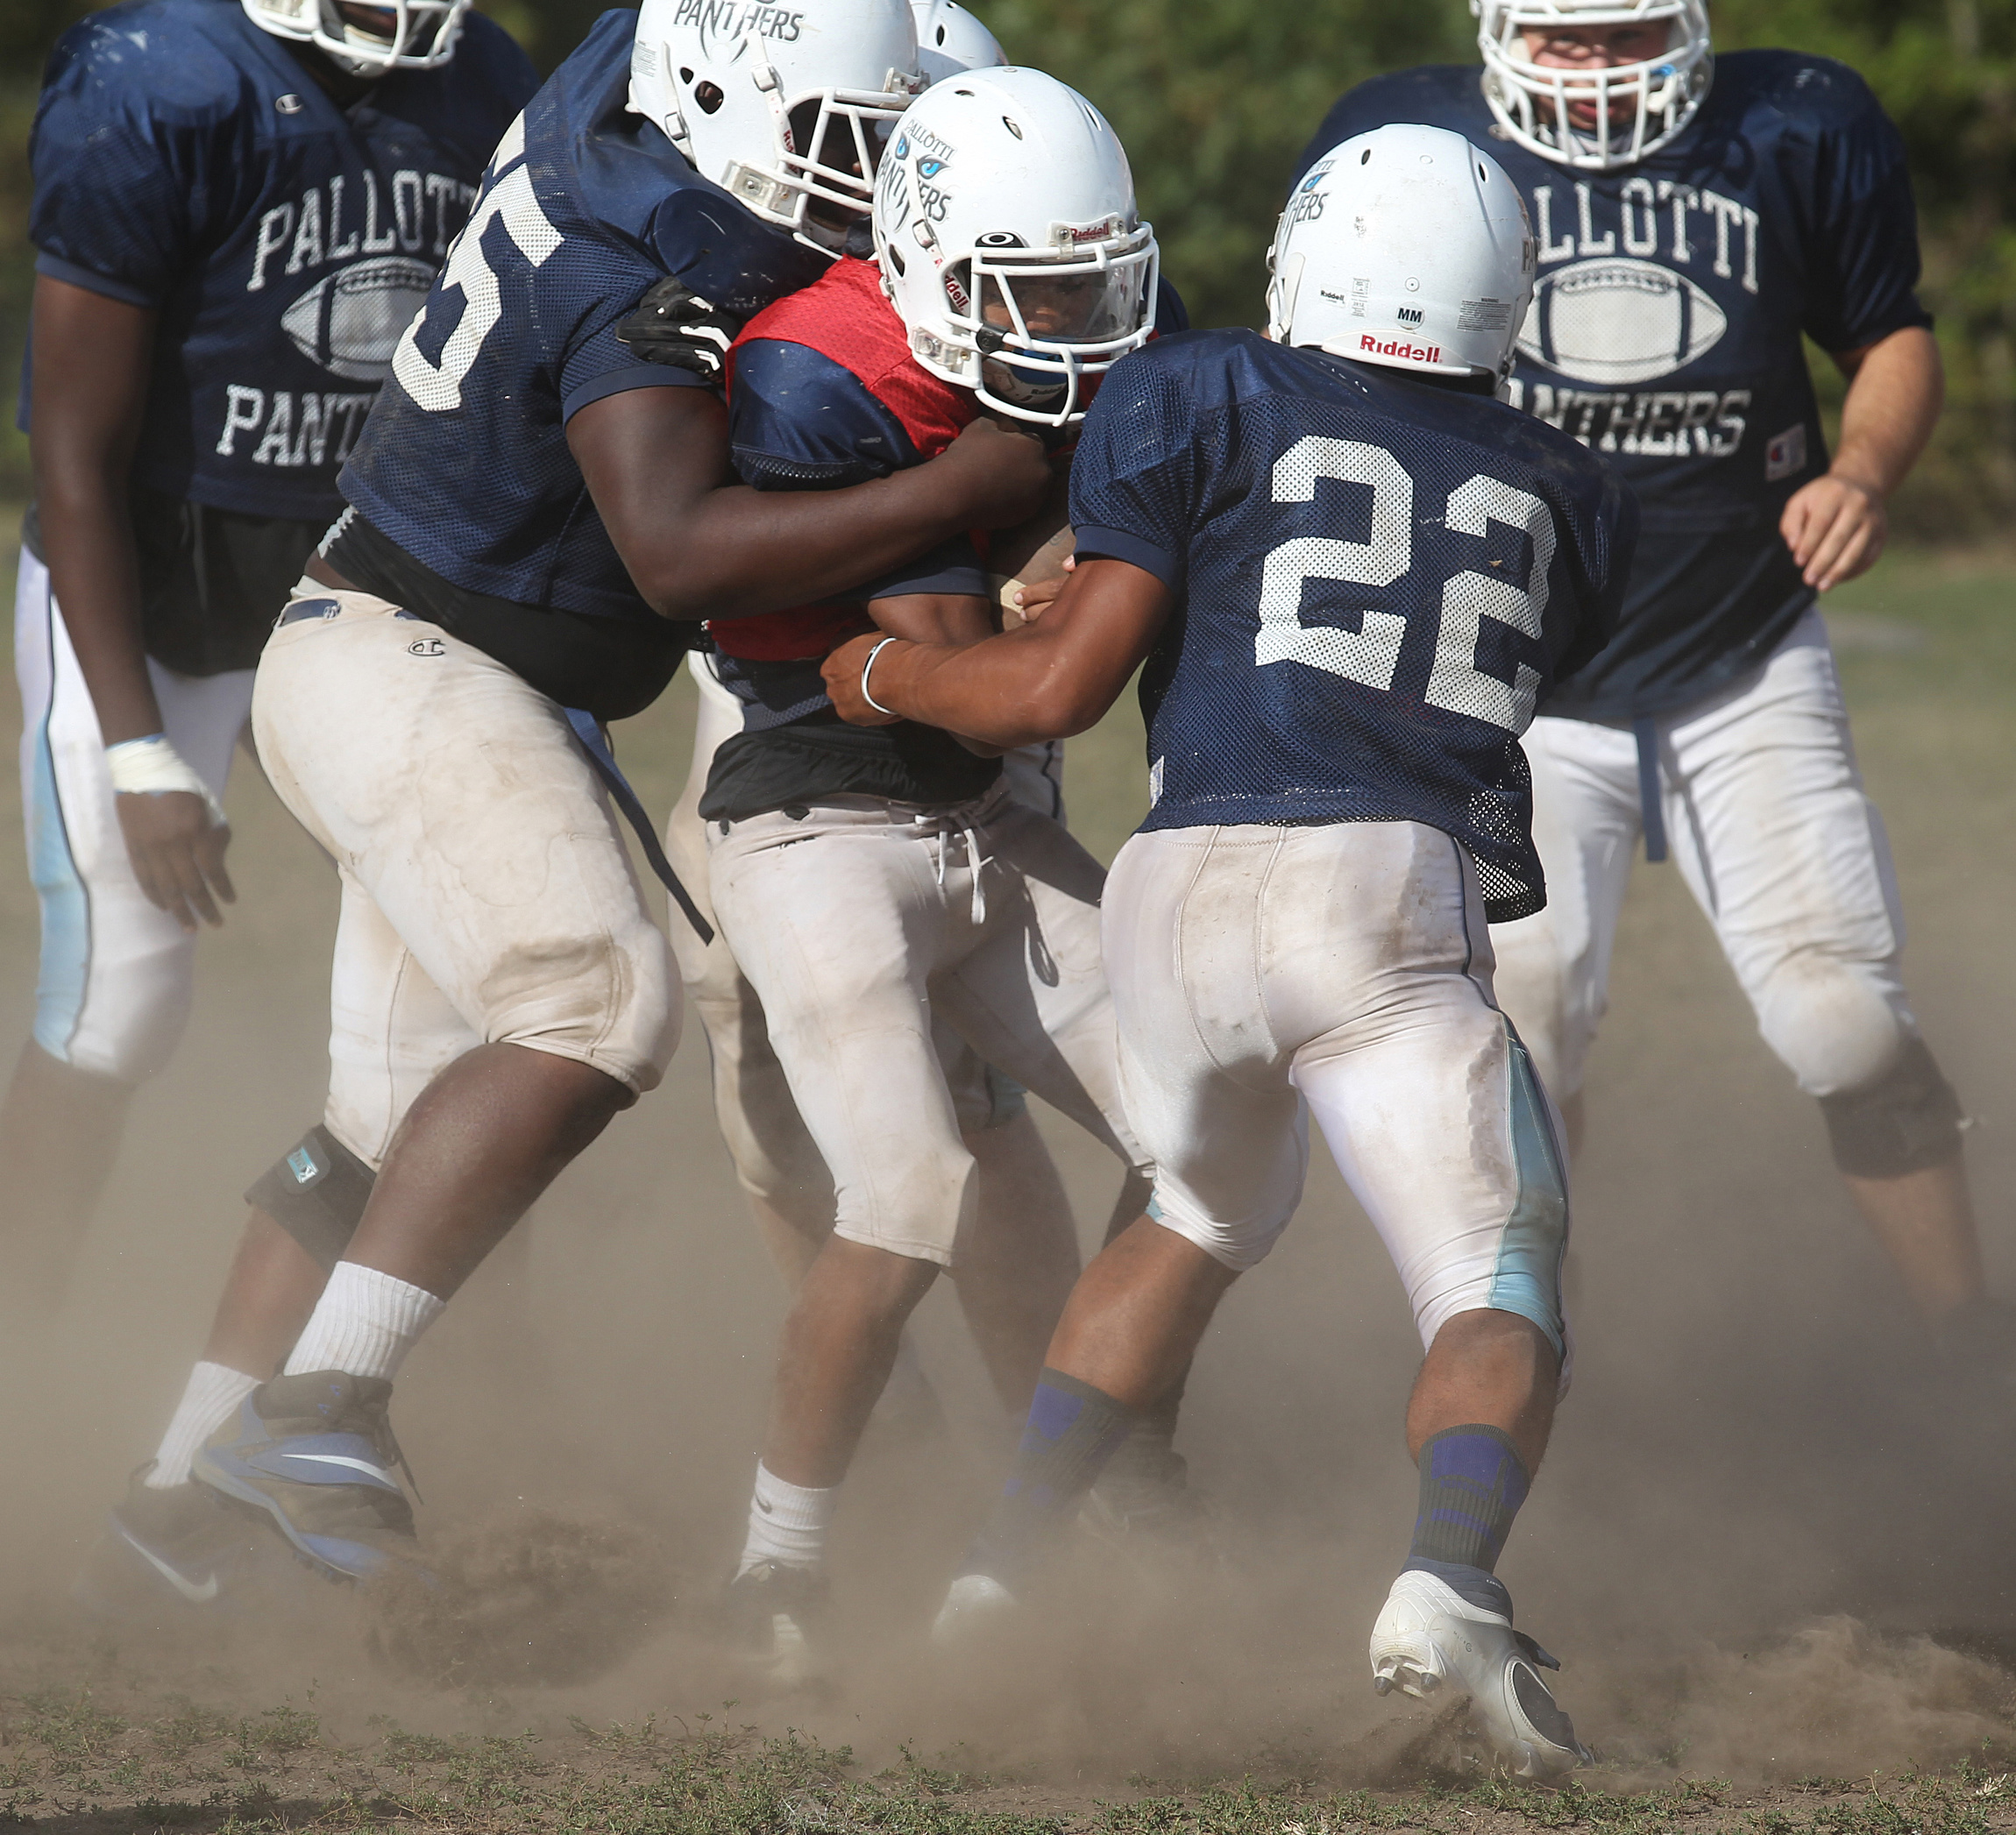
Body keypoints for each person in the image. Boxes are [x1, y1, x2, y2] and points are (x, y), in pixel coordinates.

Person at [87, 0, 1053, 1608]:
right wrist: (962, 491)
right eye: (842, 143)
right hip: (417, 665)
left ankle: (172, 1497)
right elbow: (675, 550)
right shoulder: (655, 253)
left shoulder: (628, 71)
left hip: (413, 647)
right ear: (724, 98)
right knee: (594, 1004)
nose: (865, 179)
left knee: (383, 1129)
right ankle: (316, 1409)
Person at [822, 123, 1636, 1776]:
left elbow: (1064, 684)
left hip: (1177, 879)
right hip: (1380, 886)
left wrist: (881, 675)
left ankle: (995, 1577)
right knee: (1499, 1283)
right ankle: (1446, 1580)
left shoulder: (1193, 388)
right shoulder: (1575, 490)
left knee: (1191, 1211)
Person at [1297, 1, 1993, 1363]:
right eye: (1561, 35)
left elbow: (1887, 333)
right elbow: (1326, 388)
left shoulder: (1794, 121)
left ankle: (1976, 1347)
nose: (1595, 65)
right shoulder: (1410, 142)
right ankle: (1521, 1361)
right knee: (1523, 1045)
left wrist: (1862, 471)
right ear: (1497, 27)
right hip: (1518, 680)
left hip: (1746, 643)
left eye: (1624, 31)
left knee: (1843, 1016)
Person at [699, 66, 1164, 1678]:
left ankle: (1092, 1486)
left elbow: (1039, 624)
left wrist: (1059, 582)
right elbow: (964, 657)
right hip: (818, 818)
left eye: (1086, 283)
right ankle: (777, 1566)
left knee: (1213, 1134)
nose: (1066, 322)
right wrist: (1062, 576)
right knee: (904, 1196)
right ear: (926, 258)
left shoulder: (1032, 347)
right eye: (1027, 287)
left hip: (991, 813)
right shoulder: (814, 371)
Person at [5, 0, 537, 1314]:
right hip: (152, 598)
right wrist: (137, 747)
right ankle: (19, 1338)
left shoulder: (479, 76)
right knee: (120, 1004)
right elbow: (72, 452)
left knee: (476, 986)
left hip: (348, 590)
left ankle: (432, 1359)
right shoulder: (156, 84)